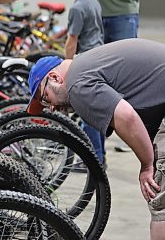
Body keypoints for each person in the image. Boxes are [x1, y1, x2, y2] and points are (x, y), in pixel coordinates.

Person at [26, 39, 165, 239]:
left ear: (54, 78)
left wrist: (147, 165)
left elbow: (126, 118)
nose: (52, 108)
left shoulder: (77, 85)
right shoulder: (85, 64)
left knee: (160, 206)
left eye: (45, 99)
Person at [78, 0, 150, 153]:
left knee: (124, 80)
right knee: (93, 81)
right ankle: (96, 153)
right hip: (95, 16)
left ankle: (134, 136)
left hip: (122, 14)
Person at [46, 0, 105, 163]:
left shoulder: (78, 8)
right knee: (97, 114)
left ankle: (94, 159)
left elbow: (72, 42)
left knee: (87, 114)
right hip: (98, 58)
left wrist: (66, 68)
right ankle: (100, 155)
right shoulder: (93, 1)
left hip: (85, 62)